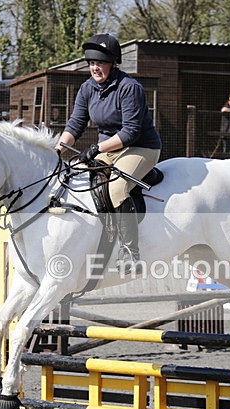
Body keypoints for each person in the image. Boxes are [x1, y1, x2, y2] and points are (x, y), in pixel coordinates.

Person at [56, 33, 162, 274]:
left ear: (113, 63)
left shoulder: (129, 88)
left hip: (140, 147)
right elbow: (75, 124)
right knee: (79, 176)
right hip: (109, 148)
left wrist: (96, 148)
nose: (95, 68)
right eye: (92, 63)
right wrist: (58, 149)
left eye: (101, 63)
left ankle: (130, 253)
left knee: (116, 188)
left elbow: (130, 132)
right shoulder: (87, 88)